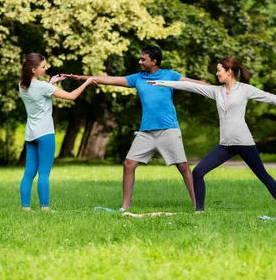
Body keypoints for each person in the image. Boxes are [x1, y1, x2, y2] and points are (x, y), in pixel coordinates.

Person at [148, 56, 276, 212]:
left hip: (244, 142)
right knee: (198, 172)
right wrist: (160, 83)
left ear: (229, 71)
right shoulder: (216, 91)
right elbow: (190, 86)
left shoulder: (245, 90)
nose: (216, 73)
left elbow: (273, 98)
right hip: (225, 144)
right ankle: (200, 210)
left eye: (219, 70)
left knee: (262, 175)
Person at [67, 45, 205, 210]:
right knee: (129, 164)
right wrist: (82, 78)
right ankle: (125, 206)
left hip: (168, 128)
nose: (139, 61)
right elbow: (110, 79)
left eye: (143, 59)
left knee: (182, 166)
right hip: (146, 131)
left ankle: (198, 205)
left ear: (154, 61)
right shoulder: (137, 78)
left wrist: (215, 88)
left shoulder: (170, 75)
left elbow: (193, 84)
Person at [19, 53, 96, 211]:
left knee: (29, 173)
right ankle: (45, 209)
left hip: (31, 134)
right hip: (45, 134)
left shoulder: (22, 85)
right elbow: (72, 96)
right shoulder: (43, 87)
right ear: (34, 70)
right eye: (43, 67)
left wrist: (50, 83)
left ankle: (25, 209)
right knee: (44, 173)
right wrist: (87, 82)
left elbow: (39, 95)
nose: (46, 68)